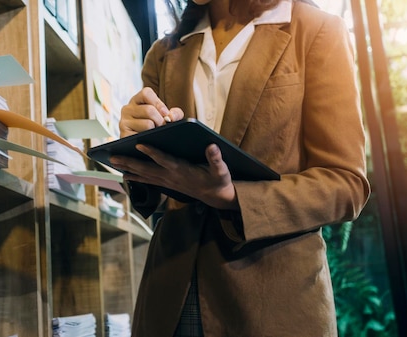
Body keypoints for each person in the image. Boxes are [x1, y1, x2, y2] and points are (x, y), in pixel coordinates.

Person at [109, 0, 371, 336]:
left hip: (273, 303)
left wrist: (235, 197)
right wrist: (138, 143)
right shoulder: (165, 50)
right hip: (169, 297)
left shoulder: (316, 31)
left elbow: (346, 184)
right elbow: (154, 193)